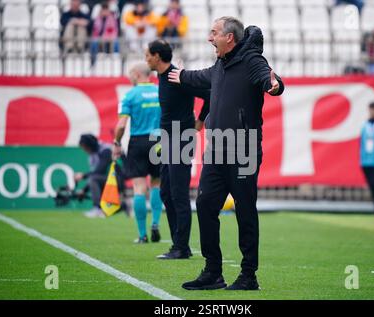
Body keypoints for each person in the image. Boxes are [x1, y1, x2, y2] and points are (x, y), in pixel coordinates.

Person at [168, 17, 284, 290]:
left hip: (243, 149)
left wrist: (275, 85)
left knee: (245, 211)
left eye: (214, 33)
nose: (210, 38)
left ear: (229, 38)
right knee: (206, 205)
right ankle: (213, 272)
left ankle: (248, 276)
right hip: (217, 149)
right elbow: (202, 76)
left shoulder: (252, 61)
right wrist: (182, 76)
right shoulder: (220, 64)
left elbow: (270, 79)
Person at [145, 39, 210, 259]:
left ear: (157, 56)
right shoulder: (162, 77)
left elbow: (208, 94)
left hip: (181, 139)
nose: (146, 59)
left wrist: (200, 121)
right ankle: (178, 244)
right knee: (165, 192)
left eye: (148, 55)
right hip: (167, 140)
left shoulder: (176, 76)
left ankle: (181, 247)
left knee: (179, 194)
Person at [113, 62, 163, 244]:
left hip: (138, 141)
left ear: (136, 74)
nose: (129, 77)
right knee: (157, 184)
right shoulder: (160, 92)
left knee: (139, 188)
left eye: (130, 74)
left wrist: (117, 142)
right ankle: (156, 223)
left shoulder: (130, 95)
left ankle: (142, 235)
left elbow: (121, 124)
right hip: (158, 140)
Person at [75, 134, 112, 218]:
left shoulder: (105, 150)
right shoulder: (93, 155)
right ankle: (123, 206)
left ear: (90, 145)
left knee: (93, 179)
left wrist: (83, 175)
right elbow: (95, 174)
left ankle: (97, 208)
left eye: (85, 147)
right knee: (93, 179)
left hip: (117, 179)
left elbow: (100, 171)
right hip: (107, 180)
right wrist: (84, 190)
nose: (84, 150)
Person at [90, 1, 119, 66]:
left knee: (116, 42)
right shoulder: (97, 19)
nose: (105, 12)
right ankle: (93, 62)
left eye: (106, 10)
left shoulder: (112, 19)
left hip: (110, 37)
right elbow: (95, 30)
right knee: (94, 42)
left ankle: (115, 62)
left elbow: (114, 31)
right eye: (103, 10)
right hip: (99, 37)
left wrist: (106, 36)